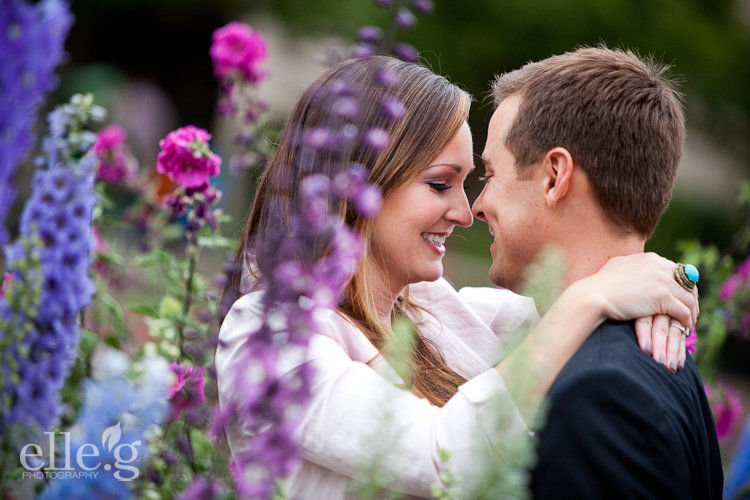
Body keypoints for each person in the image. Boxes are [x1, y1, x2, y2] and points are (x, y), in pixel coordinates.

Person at [216, 55, 699, 498]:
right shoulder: (266, 336)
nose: (467, 212)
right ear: (355, 184)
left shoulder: (430, 310)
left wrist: (663, 281)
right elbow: (441, 453)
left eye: (472, 181)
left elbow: (568, 296)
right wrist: (593, 297)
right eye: (440, 184)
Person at [471, 47, 723, 498]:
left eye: (490, 175)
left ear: (554, 177)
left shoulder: (601, 394)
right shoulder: (645, 356)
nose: (477, 206)